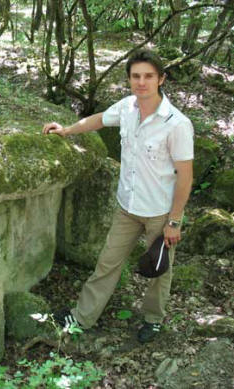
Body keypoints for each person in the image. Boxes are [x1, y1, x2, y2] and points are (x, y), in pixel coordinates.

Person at [42, 49, 194, 343]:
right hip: (127, 206)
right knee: (107, 263)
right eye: (136, 76)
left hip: (160, 211)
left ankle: (153, 319)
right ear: (129, 79)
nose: (142, 82)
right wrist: (67, 130)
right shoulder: (127, 107)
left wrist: (174, 221)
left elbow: (186, 176)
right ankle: (83, 317)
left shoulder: (177, 123)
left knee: (159, 269)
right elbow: (99, 119)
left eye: (148, 76)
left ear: (160, 79)